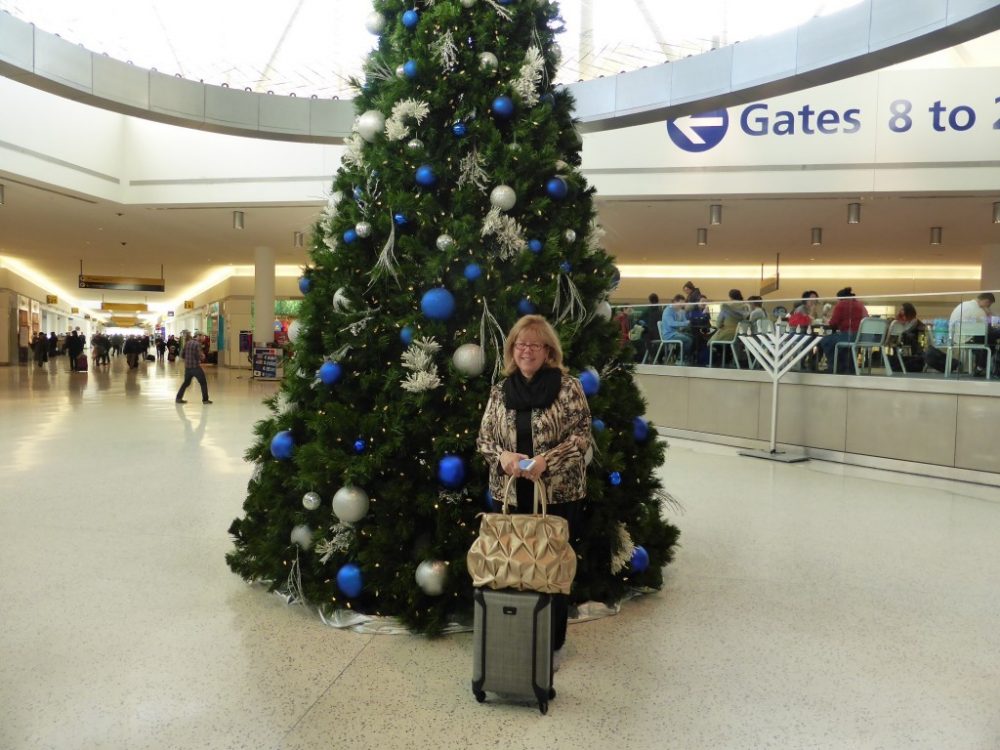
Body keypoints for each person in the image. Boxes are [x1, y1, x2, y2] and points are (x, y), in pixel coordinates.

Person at [476, 315, 590, 671]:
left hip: (557, 495)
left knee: (550, 569)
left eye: (534, 345)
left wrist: (546, 460)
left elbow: (582, 437)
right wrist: (503, 456)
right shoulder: (500, 390)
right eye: (520, 345)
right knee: (511, 567)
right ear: (512, 350)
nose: (526, 351)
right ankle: (514, 634)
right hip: (509, 497)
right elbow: (484, 441)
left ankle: (552, 643)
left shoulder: (568, 387)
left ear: (548, 351)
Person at [819, 287, 869, 373]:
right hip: (861, 336)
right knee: (840, 342)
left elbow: (833, 323)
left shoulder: (841, 304)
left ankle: (834, 367)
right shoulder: (861, 305)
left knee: (825, 340)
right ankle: (847, 368)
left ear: (841, 298)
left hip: (850, 336)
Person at [947, 292, 996, 375]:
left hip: (956, 337)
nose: (988, 307)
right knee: (992, 340)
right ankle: (979, 368)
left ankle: (979, 367)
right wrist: (989, 313)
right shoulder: (978, 310)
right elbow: (989, 326)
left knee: (988, 338)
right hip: (967, 338)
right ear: (986, 301)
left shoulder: (964, 304)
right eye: (989, 305)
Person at [709, 289, 749, 364]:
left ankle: (720, 361)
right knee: (728, 344)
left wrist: (722, 325)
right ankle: (729, 359)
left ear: (730, 297)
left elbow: (718, 324)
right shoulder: (745, 307)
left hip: (727, 333)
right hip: (740, 335)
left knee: (710, 343)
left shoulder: (726, 307)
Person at [175, 334, 213, 404]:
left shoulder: (187, 343)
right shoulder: (197, 344)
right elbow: (200, 355)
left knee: (186, 383)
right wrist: (203, 356)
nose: (203, 338)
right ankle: (205, 400)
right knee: (203, 382)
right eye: (202, 337)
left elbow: (182, 355)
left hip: (188, 368)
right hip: (196, 367)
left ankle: (178, 398)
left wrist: (188, 359)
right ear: (198, 336)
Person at [659, 294, 692, 363]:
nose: (682, 306)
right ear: (675, 301)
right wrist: (685, 323)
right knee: (688, 340)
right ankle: (680, 359)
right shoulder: (668, 311)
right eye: (680, 304)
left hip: (674, 333)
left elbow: (681, 322)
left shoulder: (676, 311)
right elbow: (671, 323)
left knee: (692, 337)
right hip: (669, 335)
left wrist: (685, 322)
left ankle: (684, 358)